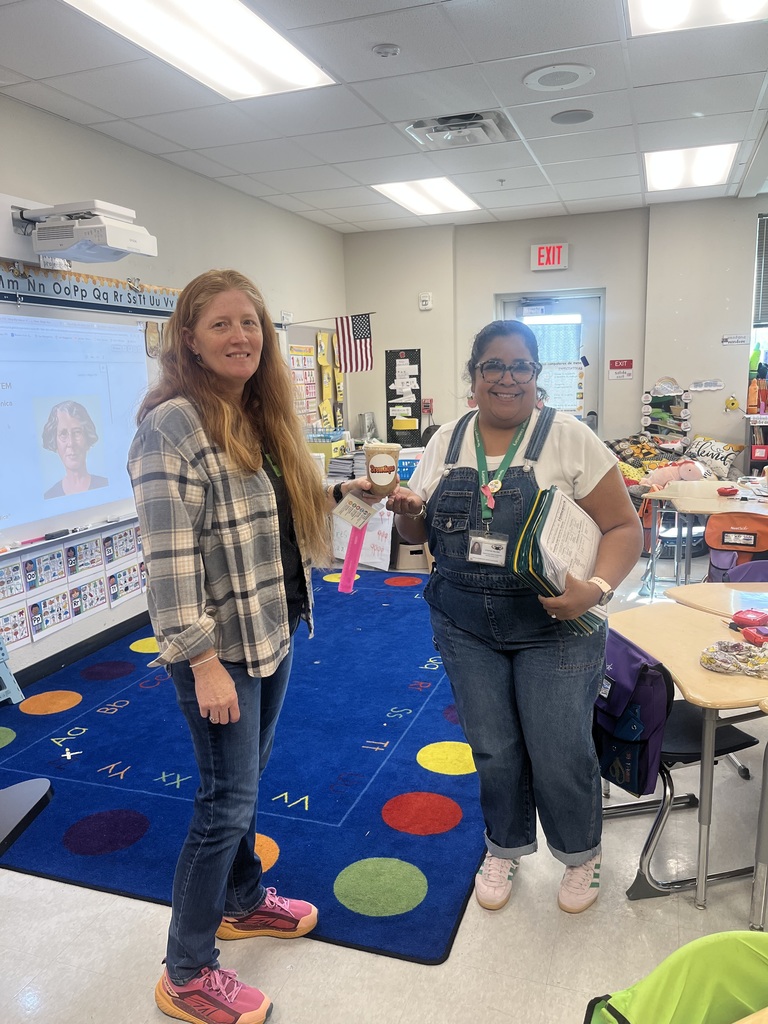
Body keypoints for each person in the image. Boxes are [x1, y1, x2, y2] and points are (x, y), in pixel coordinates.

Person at [128, 268, 371, 1024]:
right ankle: (187, 970)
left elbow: (262, 525)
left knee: (245, 787)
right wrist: (200, 661)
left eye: (251, 324)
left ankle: (241, 900)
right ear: (190, 340)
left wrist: (345, 501)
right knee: (222, 802)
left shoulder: (257, 414)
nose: (241, 337)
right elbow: (168, 565)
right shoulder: (174, 424)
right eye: (222, 324)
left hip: (273, 631)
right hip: (220, 649)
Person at [386, 320, 642, 916]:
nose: (506, 378)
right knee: (493, 748)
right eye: (491, 367)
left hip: (555, 626)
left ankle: (580, 855)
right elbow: (415, 533)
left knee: (559, 748)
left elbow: (624, 528)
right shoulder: (446, 441)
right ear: (473, 377)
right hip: (463, 623)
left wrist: (597, 589)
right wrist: (404, 513)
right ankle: (504, 845)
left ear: (536, 375)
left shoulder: (570, 438)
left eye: (519, 366)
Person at [41, 400, 108, 498]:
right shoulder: (50, 496)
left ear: (87, 437)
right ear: (54, 442)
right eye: (63, 434)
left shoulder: (104, 485)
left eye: (77, 432)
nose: (71, 443)